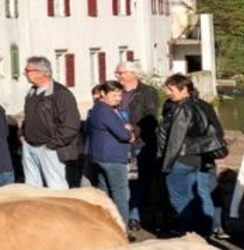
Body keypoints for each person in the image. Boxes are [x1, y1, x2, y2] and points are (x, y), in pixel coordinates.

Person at [157, 73, 225, 238]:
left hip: (180, 159)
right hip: (195, 158)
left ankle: (191, 235)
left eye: (171, 89)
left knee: (181, 200)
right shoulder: (199, 105)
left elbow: (176, 140)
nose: (168, 92)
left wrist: (166, 165)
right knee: (197, 197)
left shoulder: (183, 109)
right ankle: (204, 233)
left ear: (184, 89)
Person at [116, 61, 163, 232]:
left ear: (132, 74)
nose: (118, 76)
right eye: (117, 73)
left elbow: (150, 117)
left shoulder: (147, 92)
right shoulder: (116, 90)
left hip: (139, 143)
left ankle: (134, 217)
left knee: (137, 181)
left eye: (120, 73)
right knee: (122, 181)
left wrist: (133, 129)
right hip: (118, 142)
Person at [20, 56, 80, 189]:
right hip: (30, 146)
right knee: (31, 188)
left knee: (56, 188)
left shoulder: (61, 94)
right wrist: (23, 135)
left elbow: (71, 124)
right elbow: (29, 116)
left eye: (27, 70)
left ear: (41, 73)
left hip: (49, 148)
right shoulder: (32, 92)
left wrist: (52, 145)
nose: (24, 73)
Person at [84, 81, 135, 229]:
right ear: (103, 94)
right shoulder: (104, 110)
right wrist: (128, 132)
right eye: (114, 95)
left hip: (102, 156)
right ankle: (122, 228)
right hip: (112, 157)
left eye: (120, 95)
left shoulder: (102, 108)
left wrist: (126, 129)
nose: (118, 98)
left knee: (104, 191)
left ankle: (104, 225)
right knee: (120, 194)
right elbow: (123, 134)